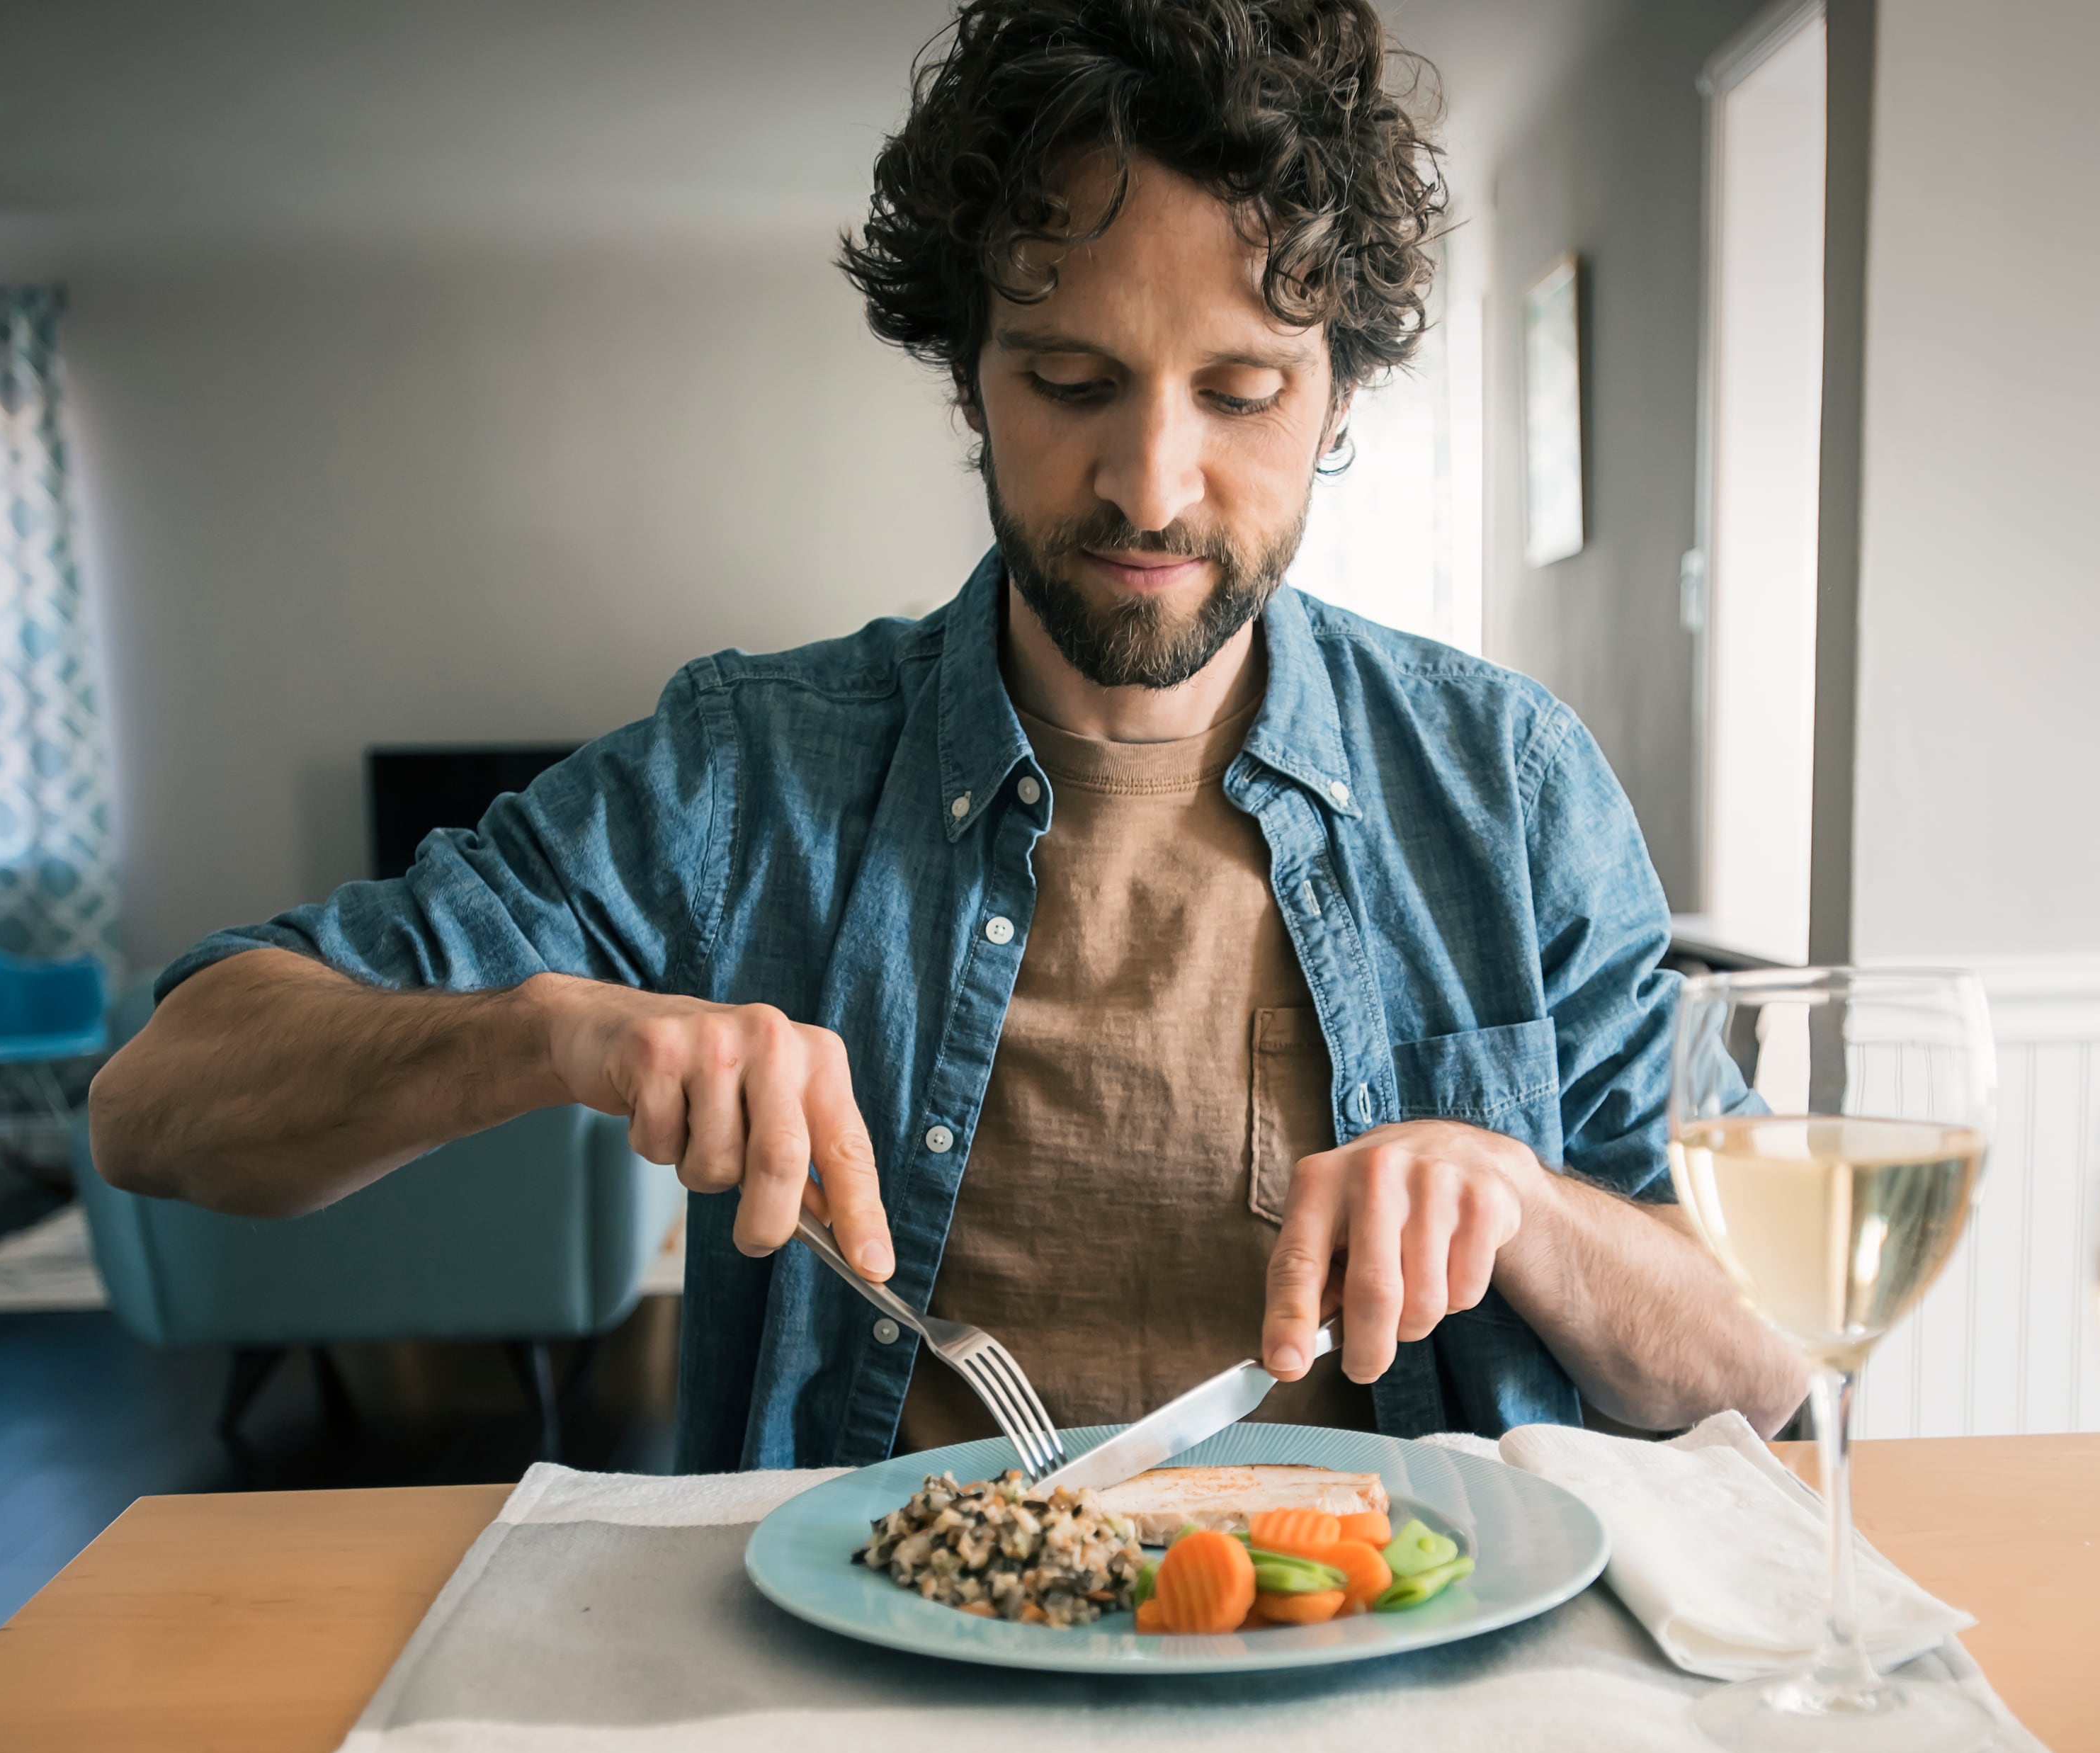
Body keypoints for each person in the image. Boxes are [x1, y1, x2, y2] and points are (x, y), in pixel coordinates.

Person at [86, 0, 1808, 1474]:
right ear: (966, 374)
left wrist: (1524, 1203)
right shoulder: (744, 774)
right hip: (870, 1707)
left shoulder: (1504, 785)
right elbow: (158, 1105)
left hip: (1394, 1686)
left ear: (1340, 392)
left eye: (1240, 392)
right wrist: (547, 1031)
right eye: (1068, 383)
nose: (1150, 482)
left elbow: (1766, 1362)